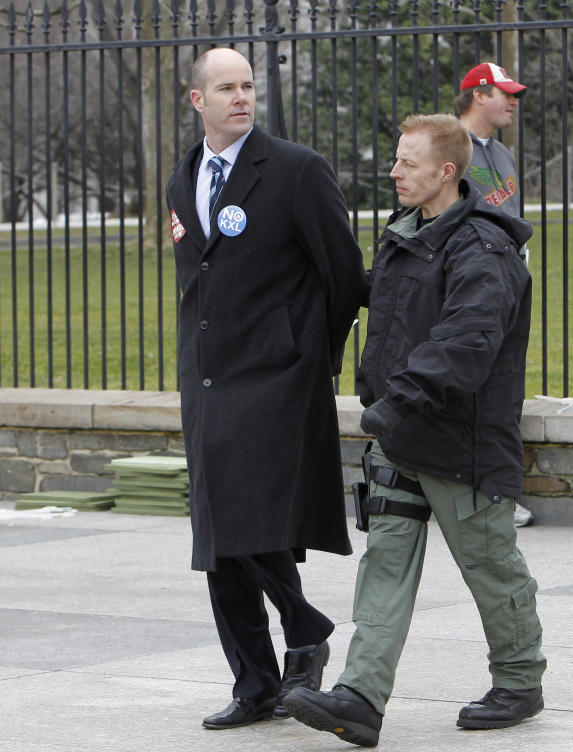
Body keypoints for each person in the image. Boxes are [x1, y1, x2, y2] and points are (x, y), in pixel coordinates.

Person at [282, 113, 546, 747]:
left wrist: (398, 401)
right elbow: (391, 311)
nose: (394, 171)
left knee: (490, 565)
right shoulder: (409, 235)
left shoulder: (483, 248)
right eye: (396, 159)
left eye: (408, 162)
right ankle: (361, 697)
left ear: (446, 172)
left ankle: (519, 680)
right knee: (387, 562)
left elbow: (468, 340)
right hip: (402, 438)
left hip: (462, 441)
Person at [165, 47, 366, 730]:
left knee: (250, 514)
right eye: (225, 88)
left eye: (248, 85)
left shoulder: (296, 171)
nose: (241, 97)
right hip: (209, 377)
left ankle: (304, 630)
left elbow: (344, 275)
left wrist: (313, 354)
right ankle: (257, 681)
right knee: (220, 531)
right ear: (198, 101)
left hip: (278, 375)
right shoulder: (184, 178)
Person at [456, 60, 534, 527]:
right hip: (473, 286)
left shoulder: (501, 154)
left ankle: (497, 490)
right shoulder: (451, 146)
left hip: (510, 283)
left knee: (504, 387)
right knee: (473, 387)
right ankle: (475, 491)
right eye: (504, 92)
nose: (512, 101)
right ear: (478, 94)